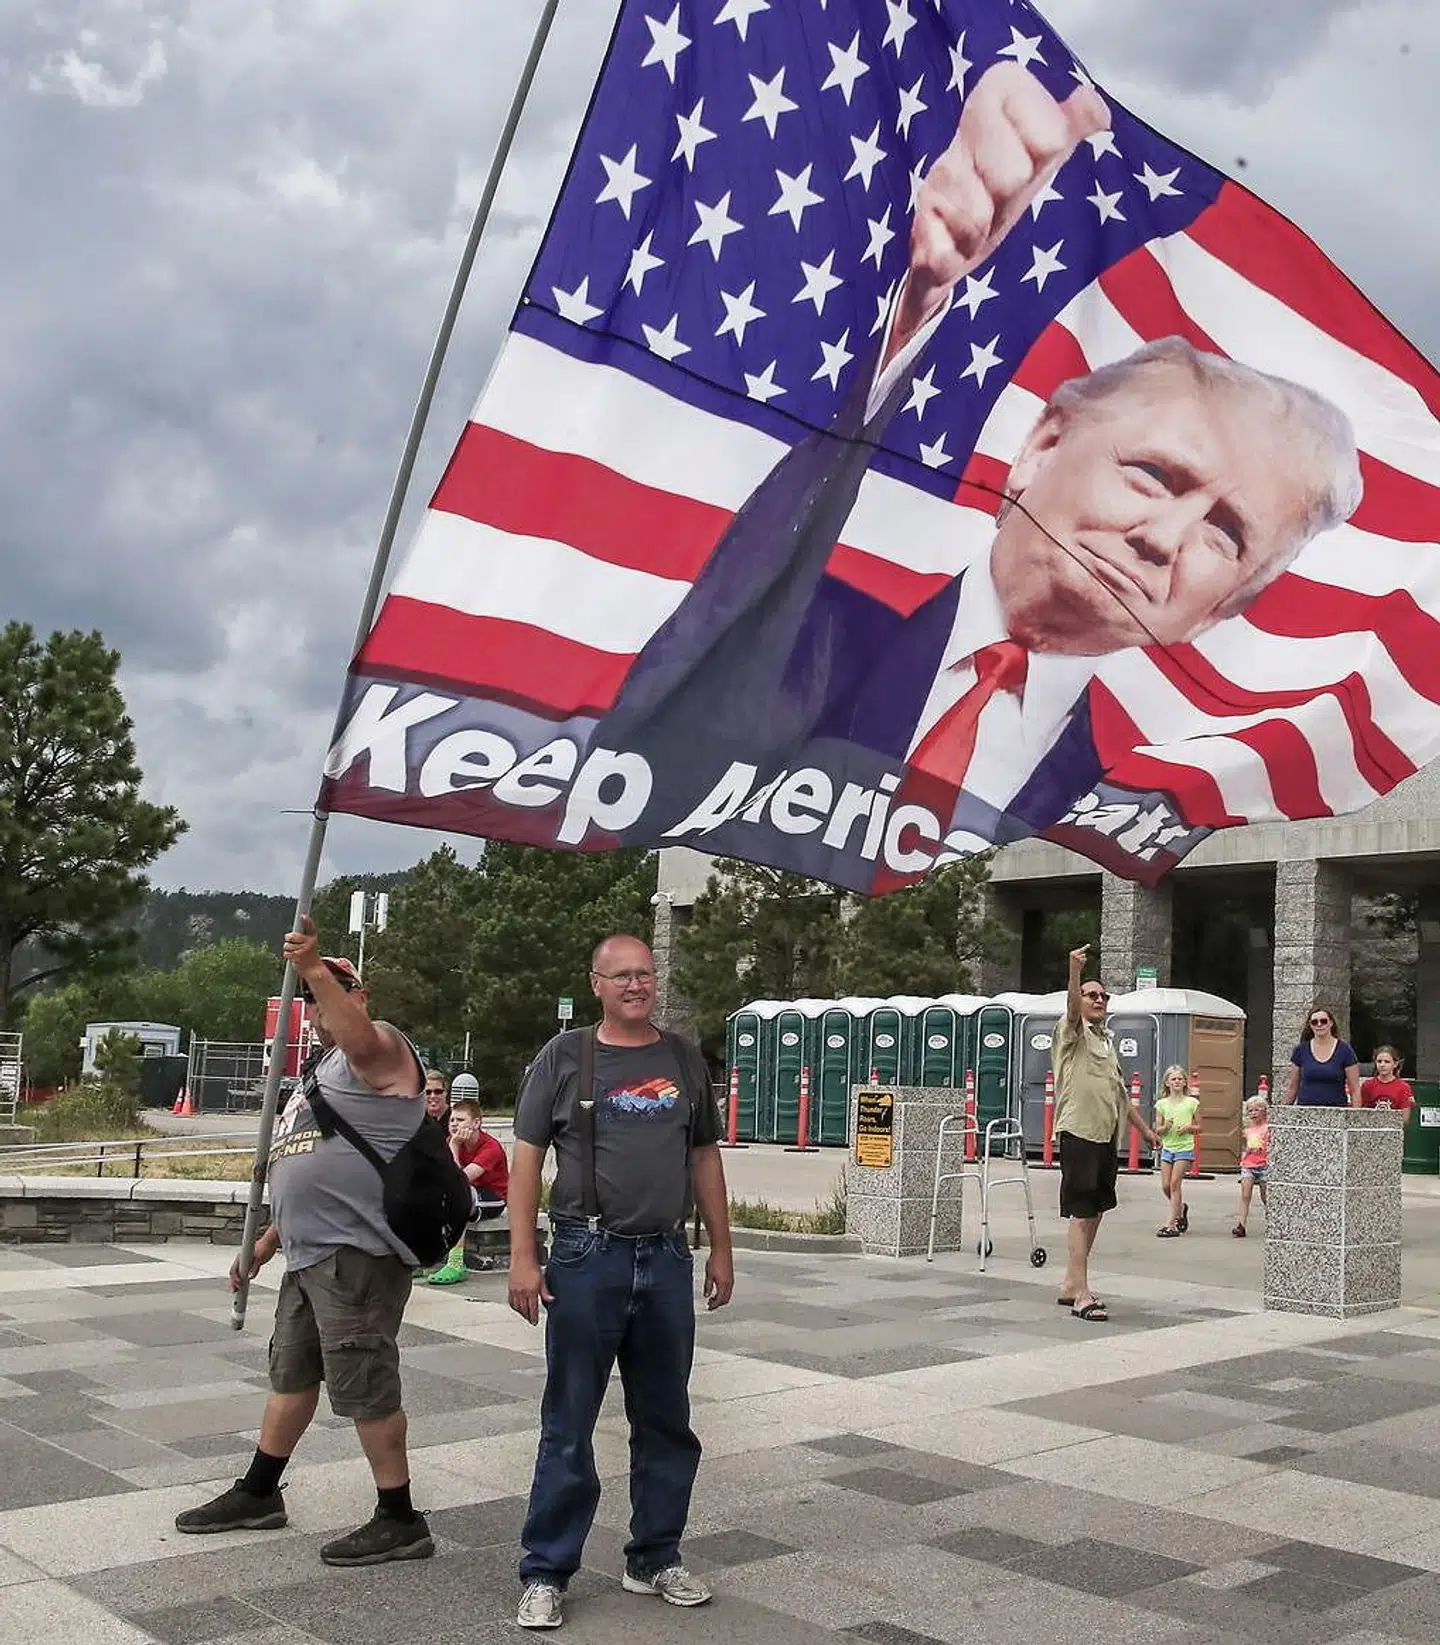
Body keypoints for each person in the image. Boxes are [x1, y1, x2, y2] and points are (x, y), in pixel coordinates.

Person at [597, 61, 1363, 880]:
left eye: (1224, 532)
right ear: (1040, 446)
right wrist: (916, 301)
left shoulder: (1152, 779)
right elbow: (728, 605)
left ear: (1223, 609)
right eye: (1155, 476)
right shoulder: (806, 634)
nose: (1163, 538)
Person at [174, 918, 435, 1566]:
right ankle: (261, 1491)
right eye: (314, 996)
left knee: (365, 1378)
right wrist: (265, 1240)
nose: (323, 1003)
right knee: (291, 1374)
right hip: (307, 1253)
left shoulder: (384, 1052)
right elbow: (304, 1158)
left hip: (357, 1256)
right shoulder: (320, 1071)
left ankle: (399, 1516)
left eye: (338, 989)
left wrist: (315, 967)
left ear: (359, 993)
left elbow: (362, 1036)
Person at [508, 934, 734, 1630]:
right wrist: (523, 1254)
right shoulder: (565, 1056)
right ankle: (546, 1569)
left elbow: (704, 1155)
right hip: (585, 1254)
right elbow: (525, 1158)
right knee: (569, 1418)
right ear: (597, 983)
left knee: (666, 1417)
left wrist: (721, 1249)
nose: (638, 984)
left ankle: (653, 1555)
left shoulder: (681, 1058)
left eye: (646, 973)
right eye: (623, 975)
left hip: (666, 1258)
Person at [1052, 945, 1158, 1322]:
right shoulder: (1072, 1033)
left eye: (1103, 996)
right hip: (1078, 1131)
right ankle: (1082, 1293)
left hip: (1104, 1136)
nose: (1098, 1000)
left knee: (1096, 1211)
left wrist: (1145, 1131)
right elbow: (1069, 1008)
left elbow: (1120, 1093)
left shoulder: (1105, 1041)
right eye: (1091, 995)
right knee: (1081, 1213)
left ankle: (1070, 1283)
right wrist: (1074, 972)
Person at [428, 1097, 510, 1286]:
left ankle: (456, 1262)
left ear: (476, 1123)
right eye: (452, 1120)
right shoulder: (452, 1140)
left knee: (458, 1196)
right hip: (470, 1191)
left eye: (461, 1120)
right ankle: (422, 1255)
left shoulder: (491, 1147)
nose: (455, 1124)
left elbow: (459, 1181)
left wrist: (454, 1147)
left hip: (492, 1198)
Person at [1282, 1004, 1361, 1107]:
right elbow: (1292, 1088)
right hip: (1305, 1111)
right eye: (1314, 1022)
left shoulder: (1345, 1050)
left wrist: (1355, 1117)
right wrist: (1283, 1111)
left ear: (1331, 1023)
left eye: (1323, 1021)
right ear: (1310, 1025)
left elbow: (1355, 1089)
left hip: (1337, 1112)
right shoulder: (1300, 1050)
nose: (1319, 1025)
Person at [1153, 1066, 1198, 1238]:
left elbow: (1199, 1127)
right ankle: (1180, 1208)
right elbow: (1158, 1129)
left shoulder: (1192, 1103)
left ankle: (1171, 1224)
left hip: (1184, 1148)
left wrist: (1188, 1128)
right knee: (1165, 1185)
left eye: (1180, 1079)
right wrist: (1166, 1127)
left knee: (1174, 1184)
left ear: (1185, 1082)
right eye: (1173, 1079)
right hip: (1168, 1148)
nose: (1177, 1082)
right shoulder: (1162, 1104)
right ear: (1167, 1083)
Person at [1233, 1096, 1270, 1238]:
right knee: (1245, 1194)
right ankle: (1241, 1225)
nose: (1253, 1113)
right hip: (1248, 1164)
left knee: (1265, 1196)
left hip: (1264, 1164)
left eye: (1257, 1110)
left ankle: (1272, 1223)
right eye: (1250, 1111)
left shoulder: (1268, 1128)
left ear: (1265, 1111)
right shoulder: (1247, 1130)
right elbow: (1244, 1146)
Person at [1360, 1046, 1416, 1122]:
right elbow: (1362, 1113)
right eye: (1379, 1061)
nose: (1382, 1065)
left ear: (1395, 1064)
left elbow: (1404, 1119)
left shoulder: (1403, 1087)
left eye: (1387, 1062)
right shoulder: (1367, 1085)